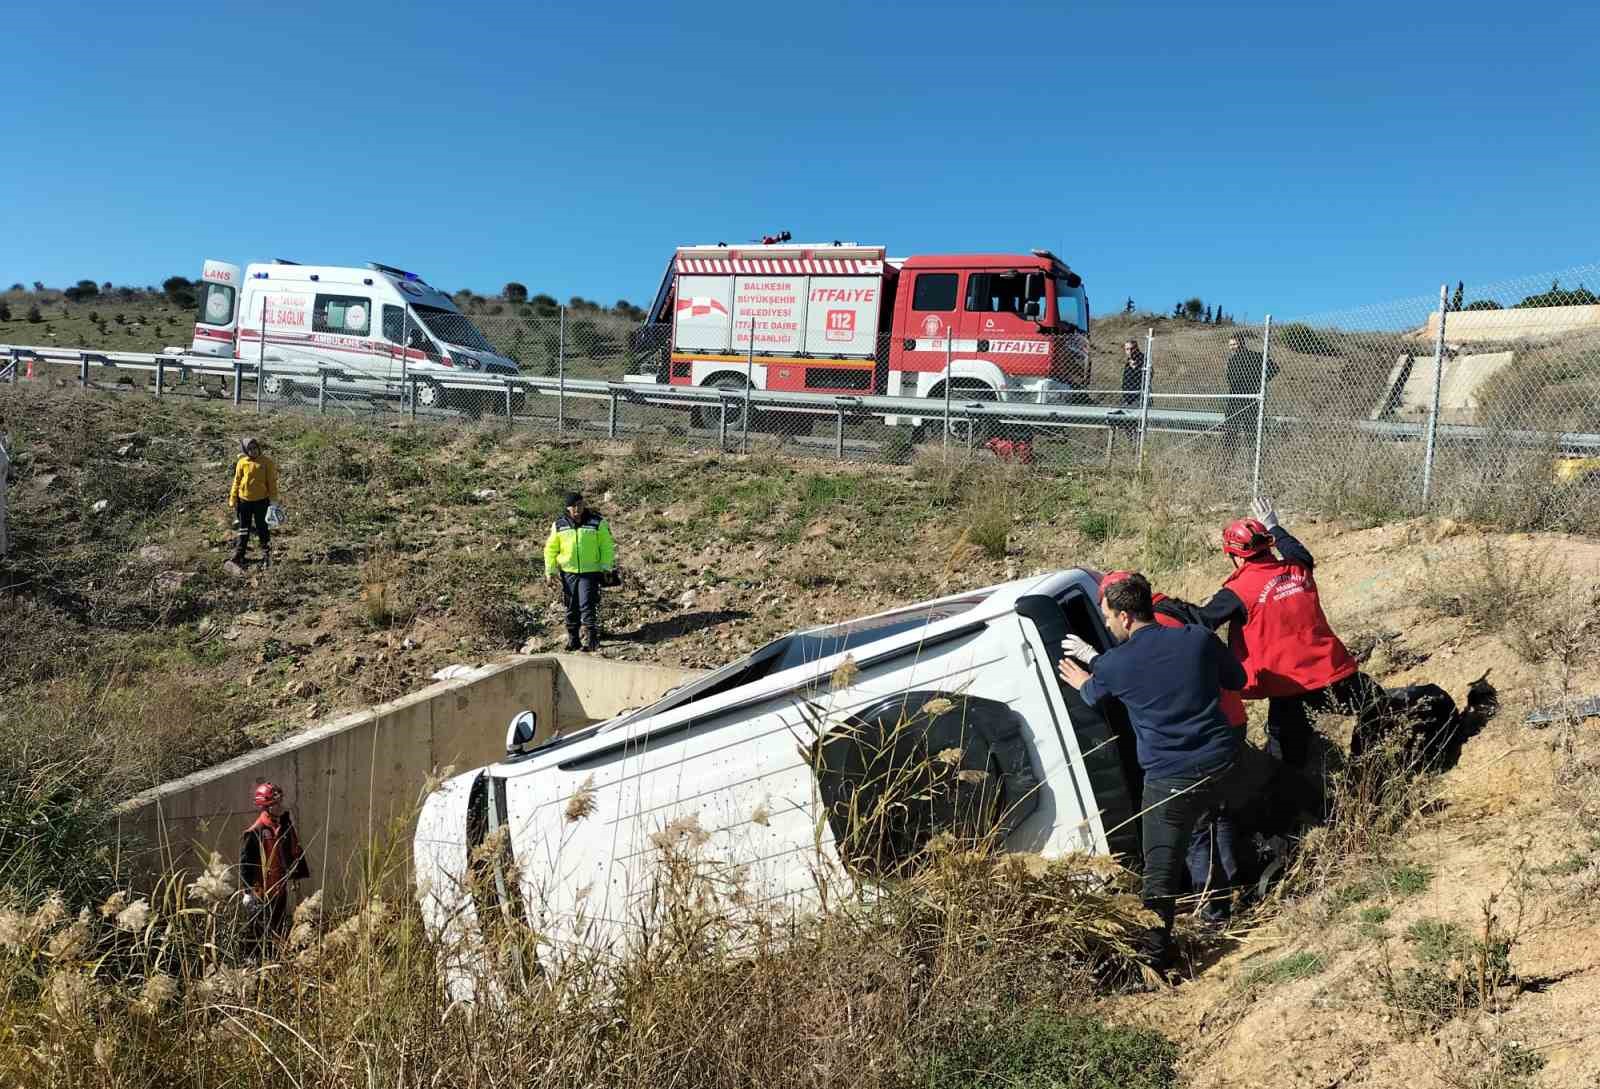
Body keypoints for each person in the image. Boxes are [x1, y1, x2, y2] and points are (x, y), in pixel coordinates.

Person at [1057, 572, 1245, 970]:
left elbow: (1094, 695)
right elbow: (1237, 679)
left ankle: (1155, 961)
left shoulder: (1113, 666)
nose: (1107, 624)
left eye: (1107, 617)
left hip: (1170, 779)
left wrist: (1084, 676)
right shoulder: (1197, 638)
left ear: (1125, 617)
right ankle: (1220, 908)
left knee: (1159, 873)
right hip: (1223, 760)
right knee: (1211, 821)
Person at [1196, 496, 1387, 769]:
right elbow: (1300, 552)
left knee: (1286, 761)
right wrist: (1274, 526)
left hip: (1288, 686)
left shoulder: (1237, 591)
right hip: (1332, 671)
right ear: (1267, 546)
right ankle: (1364, 768)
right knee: (1377, 706)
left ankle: (1291, 801)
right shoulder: (1298, 568)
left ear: (1235, 556)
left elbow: (1202, 621)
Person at [238, 781, 311, 957]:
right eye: (276, 803)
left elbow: (294, 850)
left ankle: (275, 962)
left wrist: (296, 875)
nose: (281, 806)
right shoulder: (255, 831)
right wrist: (248, 893)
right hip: (262, 893)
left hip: (280, 890)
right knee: (260, 934)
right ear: (267, 807)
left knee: (278, 928)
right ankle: (257, 964)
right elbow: (245, 863)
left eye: (280, 801)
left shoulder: (284, 826)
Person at [543, 491, 616, 652]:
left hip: (590, 572)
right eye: (574, 506)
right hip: (568, 572)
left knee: (587, 605)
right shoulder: (559, 525)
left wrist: (606, 567)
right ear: (568, 508)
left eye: (580, 504)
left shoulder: (597, 522)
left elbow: (606, 546)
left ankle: (592, 640)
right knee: (571, 606)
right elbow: (551, 549)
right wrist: (550, 571)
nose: (578, 508)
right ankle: (573, 640)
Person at [1220, 335, 1276, 462]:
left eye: (1234, 344)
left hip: (1251, 400)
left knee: (1250, 432)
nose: (1231, 347)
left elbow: (1274, 368)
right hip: (1234, 400)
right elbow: (1229, 379)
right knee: (1230, 432)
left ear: (1241, 344)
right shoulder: (1232, 360)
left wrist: (1259, 383)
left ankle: (1254, 463)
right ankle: (1226, 462)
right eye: (1230, 344)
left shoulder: (1256, 357)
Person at [228, 437, 279, 567]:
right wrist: (233, 498)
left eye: (255, 448)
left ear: (259, 448)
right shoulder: (242, 462)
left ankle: (267, 555)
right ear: (245, 450)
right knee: (243, 528)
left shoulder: (267, 462)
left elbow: (271, 483)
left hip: (261, 501)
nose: (253, 451)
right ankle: (240, 554)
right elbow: (237, 481)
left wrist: (273, 501)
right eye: (250, 449)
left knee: (263, 528)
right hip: (244, 501)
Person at [1121, 340, 1147, 409]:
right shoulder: (1128, 361)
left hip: (1139, 397)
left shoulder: (1143, 360)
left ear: (1136, 349)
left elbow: (1149, 375)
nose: (1129, 351)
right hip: (1126, 397)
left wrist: (1136, 367)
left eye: (1131, 349)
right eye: (1127, 349)